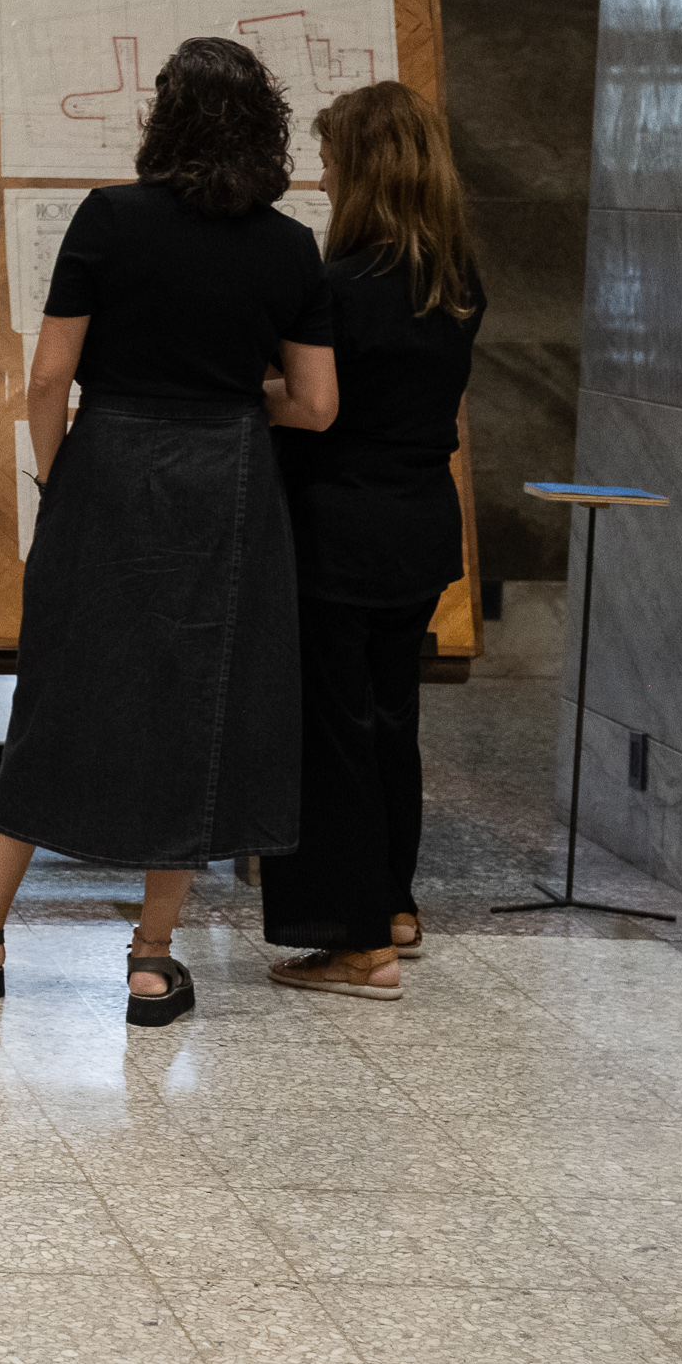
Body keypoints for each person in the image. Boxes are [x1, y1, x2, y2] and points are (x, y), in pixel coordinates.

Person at [0, 36, 339, 1024]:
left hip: (110, 468)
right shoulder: (288, 245)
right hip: (227, 484)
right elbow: (316, 404)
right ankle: (151, 959)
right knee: (196, 703)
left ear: (163, 118)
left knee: (59, 691)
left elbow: (49, 377)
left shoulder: (110, 217)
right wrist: (231, 403)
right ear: (264, 128)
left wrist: (61, 476)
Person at [258, 82, 483, 998]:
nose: (322, 177)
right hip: (420, 523)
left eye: (330, 161)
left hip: (339, 527)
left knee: (331, 735)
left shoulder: (339, 288)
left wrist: (251, 396)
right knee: (391, 719)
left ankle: (355, 944)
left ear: (363, 170)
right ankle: (393, 903)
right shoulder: (456, 284)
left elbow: (314, 407)